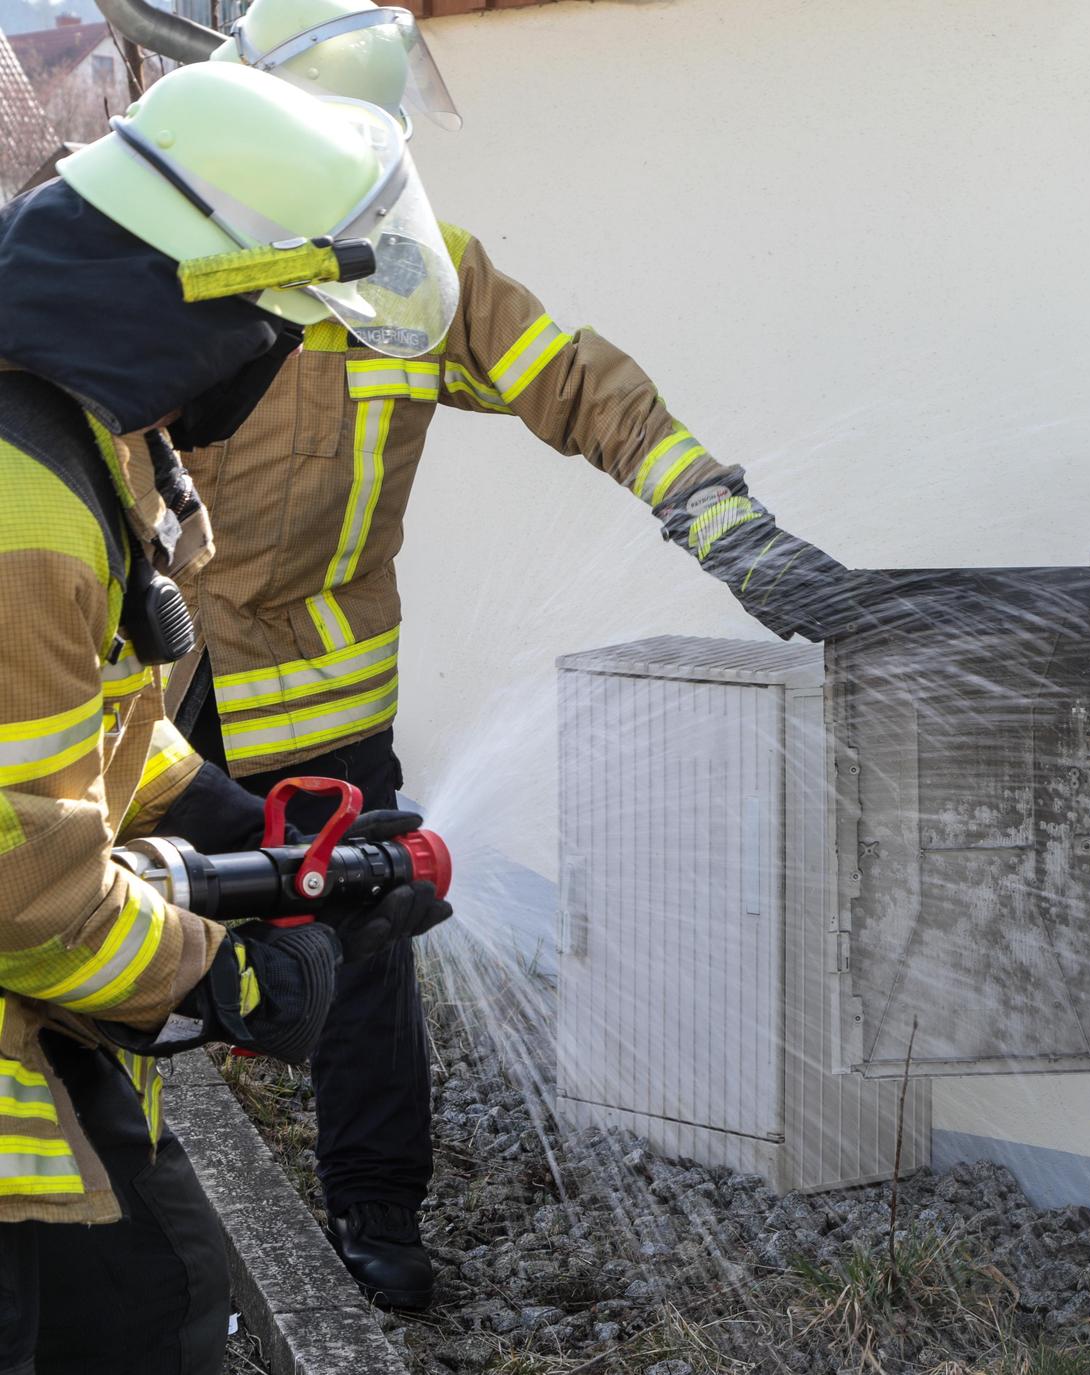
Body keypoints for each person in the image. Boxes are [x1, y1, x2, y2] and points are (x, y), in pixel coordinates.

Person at [135, 0, 866, 1311]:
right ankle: (128, 1226)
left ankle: (371, 1220)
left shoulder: (418, 271)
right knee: (120, 946)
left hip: (318, 706)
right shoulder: (165, 264)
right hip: (158, 699)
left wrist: (726, 527)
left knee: (363, 957)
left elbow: (580, 383)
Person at [0, 61, 456, 1373]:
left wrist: (247, 830)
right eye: (279, 317)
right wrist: (235, 978)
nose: (278, 356)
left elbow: (83, 720)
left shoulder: (75, 435)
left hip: (40, 1055)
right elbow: (27, 893)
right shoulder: (24, 498)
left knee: (163, 1312)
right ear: (184, 300)